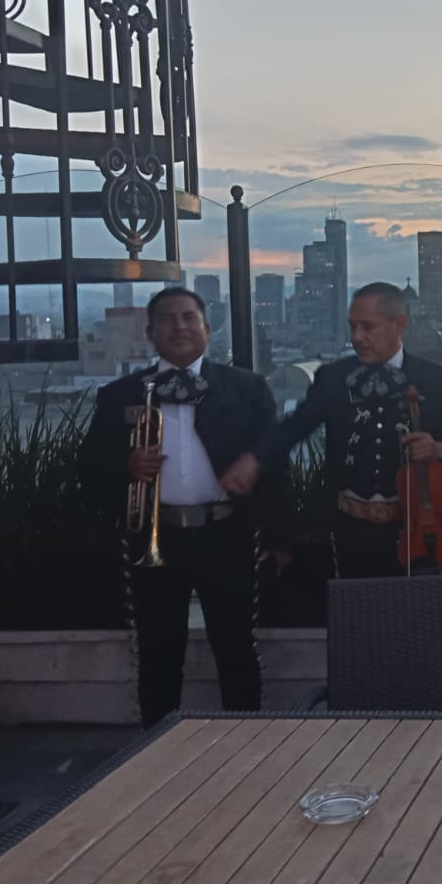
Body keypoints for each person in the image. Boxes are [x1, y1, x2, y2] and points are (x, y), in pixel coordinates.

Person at [78, 287, 293, 728]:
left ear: (207, 329)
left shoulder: (247, 388)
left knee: (235, 647)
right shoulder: (119, 394)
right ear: (150, 332)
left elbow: (275, 466)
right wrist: (127, 464)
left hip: (226, 535)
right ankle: (156, 752)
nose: (179, 326)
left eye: (189, 318)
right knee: (158, 652)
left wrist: (278, 536)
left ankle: (245, 744)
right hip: (156, 535)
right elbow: (88, 466)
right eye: (168, 319)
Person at [221, 282, 442, 578]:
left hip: (420, 528)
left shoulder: (439, 379)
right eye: (352, 326)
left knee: (417, 619)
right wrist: (254, 458)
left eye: (368, 327)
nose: (357, 338)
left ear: (399, 324)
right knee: (357, 617)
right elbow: (295, 426)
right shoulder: (333, 378)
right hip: (351, 529)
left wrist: (440, 448)